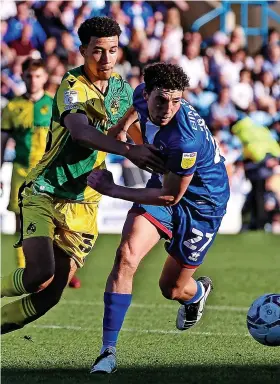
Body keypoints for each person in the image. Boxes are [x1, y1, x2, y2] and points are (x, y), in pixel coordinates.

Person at [1, 17, 165, 335]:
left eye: (113, 51)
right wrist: (129, 152)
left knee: (51, 294)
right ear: (83, 50)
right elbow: (80, 133)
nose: (106, 59)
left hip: (85, 202)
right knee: (38, 274)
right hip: (46, 189)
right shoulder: (71, 86)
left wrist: (159, 157)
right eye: (98, 51)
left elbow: (135, 133)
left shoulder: (120, 90)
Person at [87, 63, 230, 374]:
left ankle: (198, 294)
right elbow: (131, 105)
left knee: (172, 289)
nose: (168, 108)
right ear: (147, 92)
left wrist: (113, 189)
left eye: (176, 101)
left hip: (202, 205)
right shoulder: (140, 95)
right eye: (161, 100)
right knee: (126, 256)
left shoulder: (184, 139)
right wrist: (122, 129)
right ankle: (107, 352)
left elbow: (170, 197)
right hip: (167, 183)